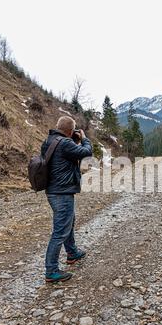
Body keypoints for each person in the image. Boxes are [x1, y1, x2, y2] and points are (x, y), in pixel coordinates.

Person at [41, 116, 92, 283]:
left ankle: (72, 253)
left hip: (54, 191)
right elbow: (86, 153)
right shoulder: (65, 143)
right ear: (70, 130)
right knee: (60, 231)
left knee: (68, 222)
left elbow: (64, 158)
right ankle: (51, 270)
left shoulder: (49, 140)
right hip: (62, 193)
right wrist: (84, 139)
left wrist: (73, 140)